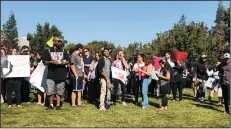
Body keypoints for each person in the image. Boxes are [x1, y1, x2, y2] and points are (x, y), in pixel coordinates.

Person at [42, 34, 70, 110]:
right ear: (54, 41)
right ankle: (51, 104)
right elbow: (44, 62)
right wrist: (51, 62)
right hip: (51, 74)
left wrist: (63, 62)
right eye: (58, 41)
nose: (60, 42)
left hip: (61, 74)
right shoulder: (47, 50)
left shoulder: (64, 50)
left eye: (60, 41)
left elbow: (68, 61)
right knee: (50, 90)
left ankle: (58, 105)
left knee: (60, 90)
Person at [70, 44, 84, 108]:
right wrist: (76, 75)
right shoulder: (73, 55)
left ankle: (79, 103)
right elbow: (72, 65)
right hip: (76, 75)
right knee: (75, 90)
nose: (83, 50)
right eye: (82, 48)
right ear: (79, 49)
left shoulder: (78, 56)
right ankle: (73, 104)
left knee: (79, 90)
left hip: (80, 74)